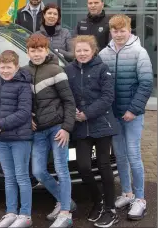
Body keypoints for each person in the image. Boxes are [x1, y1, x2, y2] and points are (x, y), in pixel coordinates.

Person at [99, 14, 153, 221]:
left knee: (133, 154)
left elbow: (146, 83)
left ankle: (140, 198)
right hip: (114, 115)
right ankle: (127, 193)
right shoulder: (105, 54)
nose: (119, 34)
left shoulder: (140, 53)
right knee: (120, 156)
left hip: (132, 114)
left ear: (129, 30)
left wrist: (133, 109)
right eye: (115, 31)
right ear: (110, 31)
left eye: (122, 30)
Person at [64, 35, 119, 227]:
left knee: (104, 166)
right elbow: (66, 96)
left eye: (85, 50)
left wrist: (87, 113)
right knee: (84, 166)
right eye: (78, 50)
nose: (82, 54)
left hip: (102, 124)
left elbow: (107, 97)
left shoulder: (102, 69)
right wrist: (74, 113)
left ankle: (111, 209)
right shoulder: (69, 70)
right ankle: (98, 200)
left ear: (93, 50)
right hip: (80, 127)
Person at [23, 34, 77, 228]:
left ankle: (65, 214)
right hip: (38, 131)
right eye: (33, 50)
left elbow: (70, 102)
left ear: (47, 50)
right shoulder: (24, 72)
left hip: (57, 129)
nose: (36, 54)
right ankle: (64, 200)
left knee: (62, 169)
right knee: (38, 171)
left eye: (40, 50)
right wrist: (27, 116)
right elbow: (22, 102)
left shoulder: (56, 70)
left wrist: (66, 128)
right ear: (27, 51)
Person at [0, 50, 33, 228]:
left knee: (22, 177)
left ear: (17, 67)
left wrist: (1, 124)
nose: (5, 71)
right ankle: (11, 212)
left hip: (20, 138)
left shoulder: (23, 84)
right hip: (1, 138)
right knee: (9, 177)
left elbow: (24, 113)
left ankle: (26, 215)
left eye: (9, 67)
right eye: (2, 67)